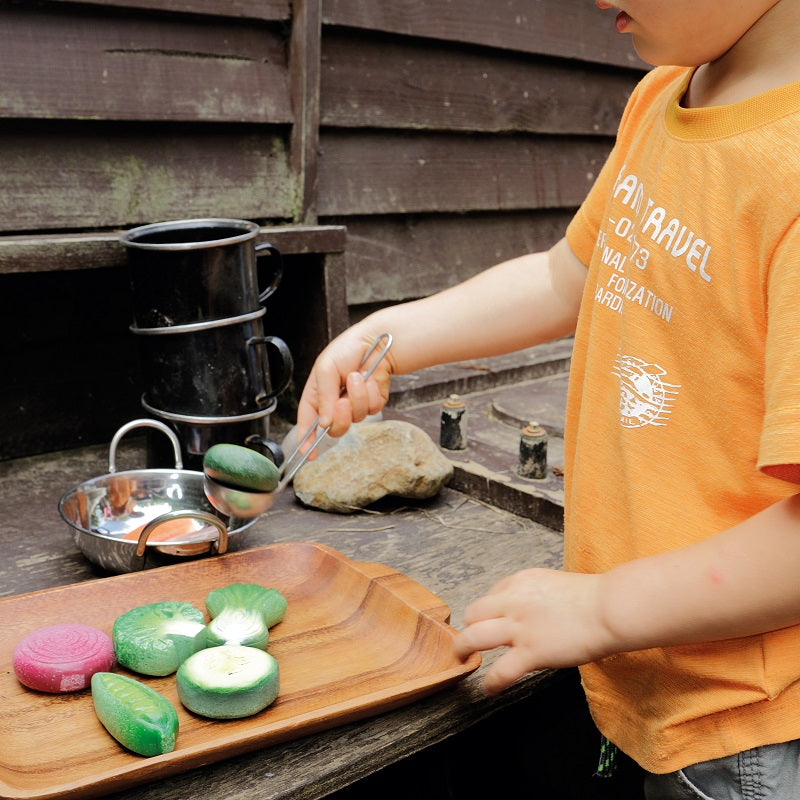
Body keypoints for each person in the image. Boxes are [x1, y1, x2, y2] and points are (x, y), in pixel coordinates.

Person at [296, 1, 800, 796]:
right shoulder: (668, 91)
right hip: (650, 678)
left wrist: (602, 610)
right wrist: (392, 333)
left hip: (739, 734)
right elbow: (568, 275)